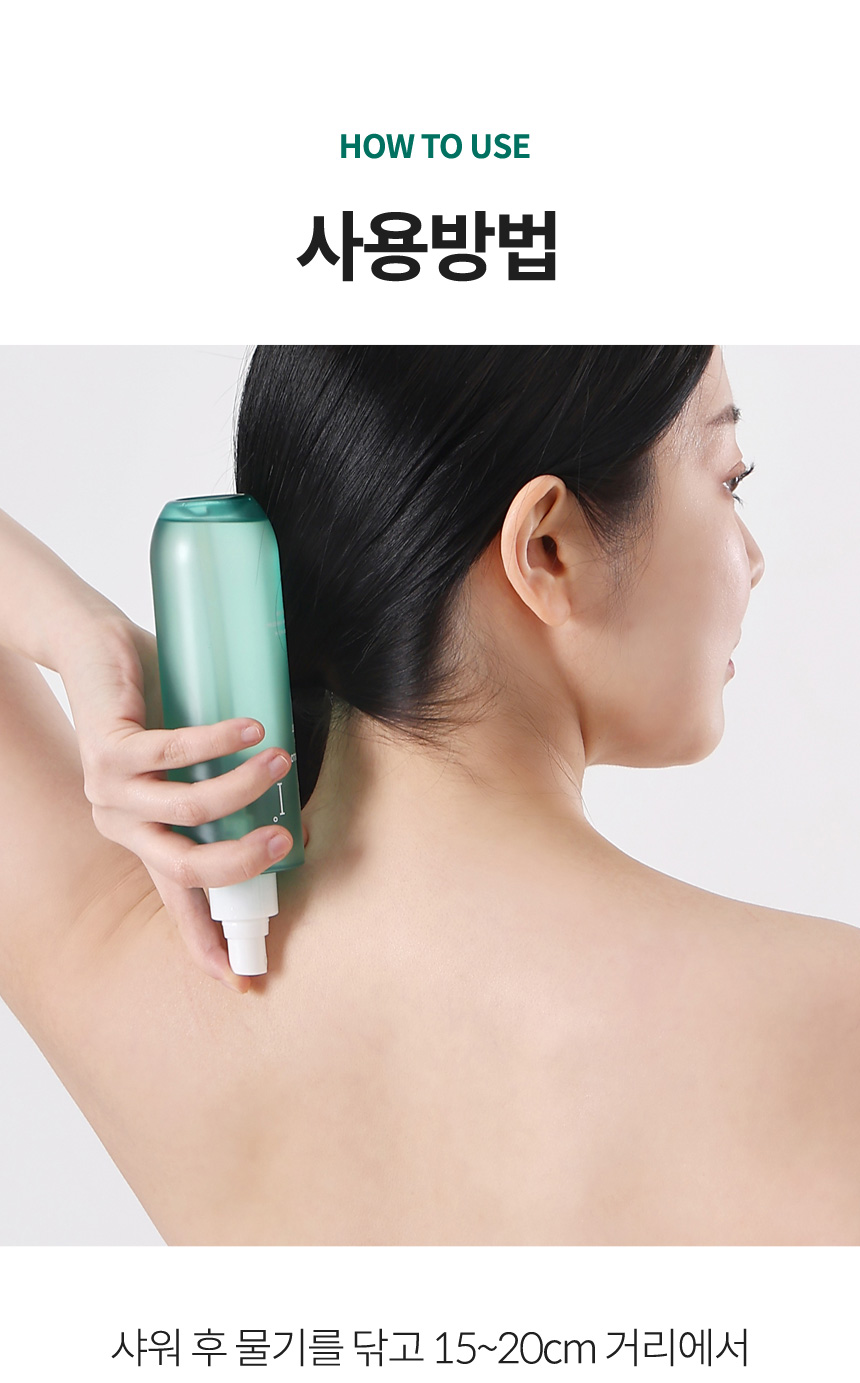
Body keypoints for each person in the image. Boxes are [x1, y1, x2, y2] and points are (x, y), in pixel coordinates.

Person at [0, 345, 857, 1245]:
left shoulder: (136, 960)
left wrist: (81, 635)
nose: (754, 557)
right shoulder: (825, 1026)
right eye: (730, 480)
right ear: (547, 548)